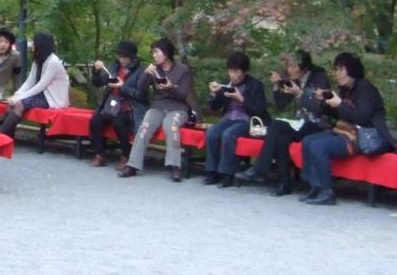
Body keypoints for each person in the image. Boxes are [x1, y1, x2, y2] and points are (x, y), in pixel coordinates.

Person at [298, 53, 397, 206]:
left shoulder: (366, 88)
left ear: (352, 70)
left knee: (318, 145)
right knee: (308, 141)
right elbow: (338, 115)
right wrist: (325, 102)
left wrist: (339, 104)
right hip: (348, 133)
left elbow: (361, 117)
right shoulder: (345, 89)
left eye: (341, 69)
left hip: (367, 136)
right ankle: (316, 187)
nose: (337, 73)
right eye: (336, 69)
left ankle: (327, 192)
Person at [236, 50, 330, 195]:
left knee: (276, 126)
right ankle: (284, 183)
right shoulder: (295, 79)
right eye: (288, 66)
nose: (290, 70)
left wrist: (300, 94)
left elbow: (319, 108)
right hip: (300, 124)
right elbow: (281, 104)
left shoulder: (318, 78)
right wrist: (276, 85)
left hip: (317, 124)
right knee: (281, 139)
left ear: (304, 67)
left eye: (294, 66)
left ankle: (260, 169)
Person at [118, 38, 193, 181]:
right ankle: (132, 165)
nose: (154, 55)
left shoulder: (182, 70)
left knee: (171, 126)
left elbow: (183, 95)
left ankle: (174, 166)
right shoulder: (154, 69)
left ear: (166, 53)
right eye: (153, 52)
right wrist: (146, 74)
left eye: (157, 52)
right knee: (144, 127)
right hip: (158, 106)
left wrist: (171, 87)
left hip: (178, 108)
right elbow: (141, 90)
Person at [202, 51, 270, 188]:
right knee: (212, 132)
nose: (232, 74)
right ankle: (212, 171)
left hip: (247, 120)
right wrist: (214, 94)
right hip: (228, 118)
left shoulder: (255, 85)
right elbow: (215, 107)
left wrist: (241, 99)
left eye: (236, 71)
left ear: (244, 71)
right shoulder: (226, 83)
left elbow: (259, 110)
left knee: (229, 134)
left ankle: (227, 174)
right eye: (230, 70)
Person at [0, 32, 70, 136]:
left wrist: (19, 98)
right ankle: (8, 138)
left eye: (34, 43)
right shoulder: (38, 60)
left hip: (53, 99)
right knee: (11, 104)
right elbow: (30, 81)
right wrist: (17, 94)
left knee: (20, 104)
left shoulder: (53, 62)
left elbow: (40, 86)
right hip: (42, 95)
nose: (32, 46)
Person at [87, 41, 147, 167]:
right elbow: (98, 83)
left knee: (119, 122)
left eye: (125, 57)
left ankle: (125, 155)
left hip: (130, 106)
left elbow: (141, 95)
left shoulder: (140, 71)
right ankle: (100, 153)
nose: (121, 59)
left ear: (132, 57)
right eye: (120, 56)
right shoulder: (115, 67)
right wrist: (96, 72)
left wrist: (122, 86)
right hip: (111, 104)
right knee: (95, 121)